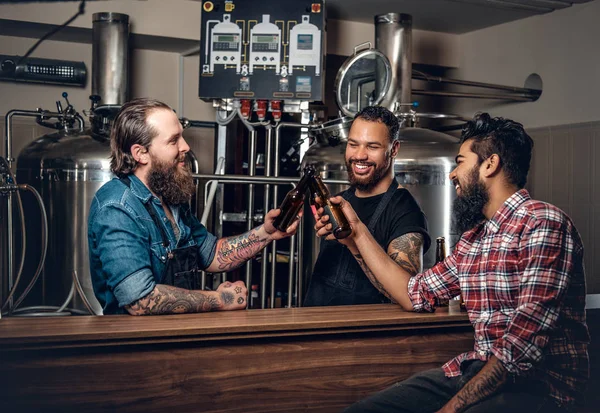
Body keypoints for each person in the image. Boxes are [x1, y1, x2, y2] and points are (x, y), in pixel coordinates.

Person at [317, 113, 590, 412]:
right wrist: (355, 231)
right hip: (475, 370)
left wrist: (452, 408)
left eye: (460, 161)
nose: (452, 174)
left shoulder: (542, 223)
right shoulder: (474, 240)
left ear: (490, 164)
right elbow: (414, 293)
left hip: (537, 388)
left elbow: (522, 345)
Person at [88, 98, 299, 315]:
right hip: (137, 345)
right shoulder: (117, 208)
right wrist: (221, 299)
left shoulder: (169, 196)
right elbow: (140, 300)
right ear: (140, 153)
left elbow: (212, 254)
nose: (186, 147)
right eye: (173, 140)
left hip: (178, 335)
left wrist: (266, 233)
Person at [303, 106, 430, 306]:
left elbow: (408, 295)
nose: (359, 155)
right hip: (315, 326)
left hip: (362, 333)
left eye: (372, 147)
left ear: (394, 149)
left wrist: (355, 238)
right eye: (354, 144)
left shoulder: (405, 211)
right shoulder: (341, 200)